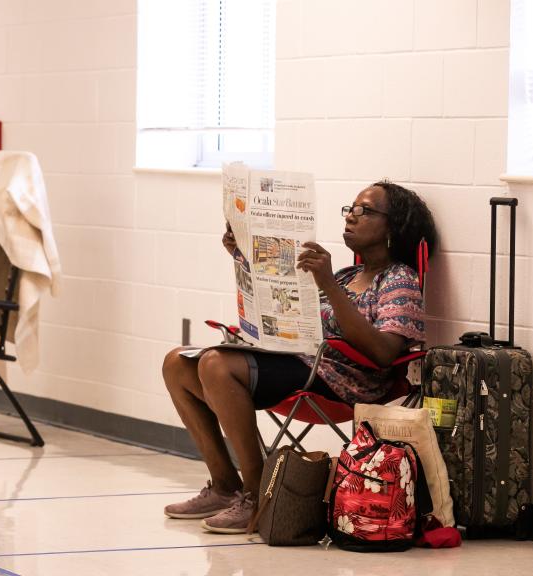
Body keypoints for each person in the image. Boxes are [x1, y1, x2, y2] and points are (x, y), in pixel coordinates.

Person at [161, 180, 438, 534]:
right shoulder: (348, 274)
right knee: (177, 364)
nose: (352, 217)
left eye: (365, 211)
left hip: (344, 380)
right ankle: (223, 486)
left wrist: (328, 286)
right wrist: (245, 255)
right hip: (300, 363)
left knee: (215, 364)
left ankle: (258, 494)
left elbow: (384, 352)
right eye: (350, 208)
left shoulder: (399, 279)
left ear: (393, 227)